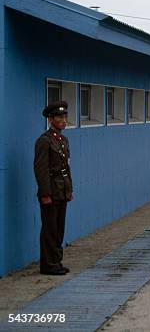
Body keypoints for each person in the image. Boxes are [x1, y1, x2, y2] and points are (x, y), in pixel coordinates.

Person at [34, 101, 73, 275]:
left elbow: (66, 168)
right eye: (59, 117)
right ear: (50, 119)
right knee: (49, 229)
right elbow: (41, 170)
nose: (63, 120)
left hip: (61, 190)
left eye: (65, 116)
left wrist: (69, 190)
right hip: (50, 191)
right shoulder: (44, 141)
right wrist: (45, 194)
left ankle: (56, 261)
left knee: (59, 229)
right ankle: (48, 265)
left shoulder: (63, 140)